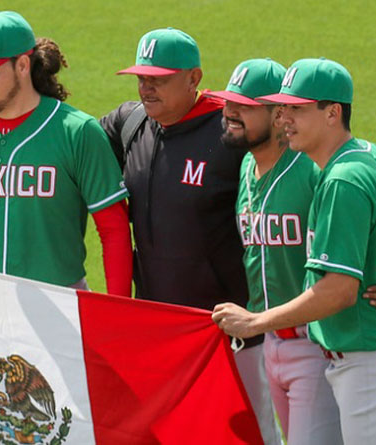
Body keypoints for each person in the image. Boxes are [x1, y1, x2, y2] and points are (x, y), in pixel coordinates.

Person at [213, 58, 376, 444]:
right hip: (367, 353)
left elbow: (338, 290)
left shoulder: (340, 180)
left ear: (332, 113)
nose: (285, 118)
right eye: (282, 108)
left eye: (296, 109)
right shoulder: (373, 156)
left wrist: (254, 323)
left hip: (368, 355)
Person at [100, 29, 281, 444]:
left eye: (159, 79)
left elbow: (325, 174)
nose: (147, 87)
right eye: (142, 78)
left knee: (252, 436)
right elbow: (66, 138)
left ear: (194, 78)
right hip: (160, 332)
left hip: (234, 335)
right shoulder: (130, 124)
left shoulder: (233, 131)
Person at [0, 11, 133, 296]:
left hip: (58, 305)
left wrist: (117, 309)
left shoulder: (77, 131)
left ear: (22, 65)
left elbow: (114, 229)